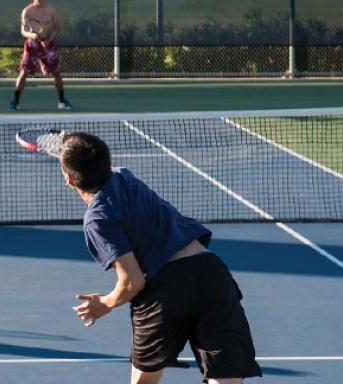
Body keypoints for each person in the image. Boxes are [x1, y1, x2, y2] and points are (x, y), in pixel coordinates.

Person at [59, 132, 262, 383]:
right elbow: (106, 165)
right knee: (227, 379)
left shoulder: (97, 220)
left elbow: (132, 282)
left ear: (68, 178)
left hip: (166, 288)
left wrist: (104, 304)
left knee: (145, 381)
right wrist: (78, 142)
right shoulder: (124, 176)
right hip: (210, 273)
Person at [9, 0, 71, 111]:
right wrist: (31, 35)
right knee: (24, 72)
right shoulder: (27, 11)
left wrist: (49, 40)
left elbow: (57, 28)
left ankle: (62, 101)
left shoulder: (51, 11)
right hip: (32, 45)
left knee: (56, 72)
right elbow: (23, 30)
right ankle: (15, 101)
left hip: (48, 44)